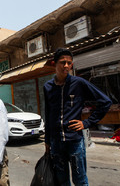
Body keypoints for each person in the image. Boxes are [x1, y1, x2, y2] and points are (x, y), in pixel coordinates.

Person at [43, 48, 112, 186]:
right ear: (54, 64)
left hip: (74, 141)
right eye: (63, 62)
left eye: (69, 63)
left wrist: (86, 123)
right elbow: (48, 113)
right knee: (62, 181)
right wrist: (47, 140)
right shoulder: (48, 86)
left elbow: (105, 102)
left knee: (80, 181)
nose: (67, 66)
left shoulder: (78, 83)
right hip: (56, 143)